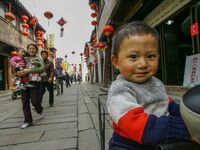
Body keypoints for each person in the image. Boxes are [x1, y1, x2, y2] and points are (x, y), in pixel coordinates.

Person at [107, 21, 199, 150]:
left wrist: (188, 118)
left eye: (150, 56)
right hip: (129, 145)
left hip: (161, 139)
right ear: (115, 61)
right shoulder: (119, 92)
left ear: (158, 57)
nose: (143, 63)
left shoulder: (154, 82)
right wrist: (186, 129)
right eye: (133, 57)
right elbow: (143, 127)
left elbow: (167, 103)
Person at [16, 44, 44, 129]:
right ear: (27, 50)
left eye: (33, 49)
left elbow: (42, 69)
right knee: (24, 101)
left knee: (35, 101)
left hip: (34, 82)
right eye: (30, 49)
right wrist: (17, 72)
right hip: (23, 82)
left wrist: (29, 70)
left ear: (36, 50)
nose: (31, 50)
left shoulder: (39, 58)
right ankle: (28, 121)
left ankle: (39, 109)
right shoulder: (24, 59)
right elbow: (16, 67)